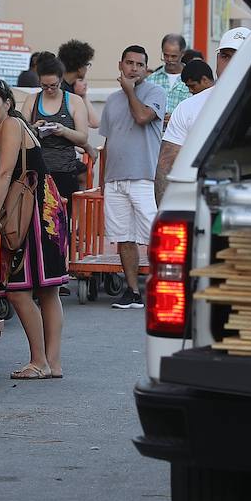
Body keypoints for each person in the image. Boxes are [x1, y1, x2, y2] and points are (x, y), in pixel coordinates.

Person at [0, 78, 68, 379]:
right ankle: (50, 364)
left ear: (8, 104)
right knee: (43, 290)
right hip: (31, 210)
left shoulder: (12, 125)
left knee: (22, 291)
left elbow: (3, 174)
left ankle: (41, 361)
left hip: (37, 212)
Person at [99, 45, 166, 310]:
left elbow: (141, 117)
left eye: (139, 64)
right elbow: (108, 139)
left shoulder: (155, 92)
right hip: (114, 178)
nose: (134, 69)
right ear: (120, 65)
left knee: (154, 237)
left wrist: (129, 90)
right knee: (123, 237)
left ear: (146, 68)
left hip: (143, 177)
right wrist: (102, 180)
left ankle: (162, 289)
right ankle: (132, 291)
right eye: (129, 63)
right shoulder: (112, 100)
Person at [155, 27, 251, 206]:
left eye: (240, 56)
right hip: (197, 209)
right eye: (225, 56)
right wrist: (167, 212)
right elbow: (165, 166)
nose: (230, 63)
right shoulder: (188, 108)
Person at [20, 52, 96, 216]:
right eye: (44, 86)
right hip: (37, 170)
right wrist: (34, 128)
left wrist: (63, 131)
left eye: (53, 86)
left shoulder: (74, 101)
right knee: (38, 220)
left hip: (64, 170)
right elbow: (21, 132)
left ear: (61, 80)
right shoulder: (32, 100)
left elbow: (83, 137)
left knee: (62, 221)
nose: (49, 90)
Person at [147, 34, 190, 126]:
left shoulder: (192, 79)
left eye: (174, 56)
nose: (169, 60)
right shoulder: (151, 79)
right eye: (166, 55)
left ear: (183, 54)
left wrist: (175, 118)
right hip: (156, 136)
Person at [58, 39, 99, 128]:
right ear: (80, 68)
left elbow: (95, 123)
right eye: (87, 65)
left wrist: (83, 96)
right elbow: (93, 123)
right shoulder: (60, 91)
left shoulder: (72, 87)